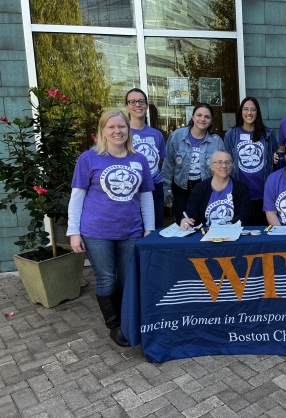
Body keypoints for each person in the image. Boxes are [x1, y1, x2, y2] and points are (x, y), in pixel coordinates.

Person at [67, 110, 155, 346]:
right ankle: (115, 325)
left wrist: (150, 228)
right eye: (111, 127)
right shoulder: (89, 158)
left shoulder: (139, 159)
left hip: (131, 231)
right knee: (106, 279)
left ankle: (128, 320)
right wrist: (73, 232)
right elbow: (77, 197)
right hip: (96, 232)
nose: (117, 131)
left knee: (128, 280)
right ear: (102, 131)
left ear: (128, 130)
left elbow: (146, 196)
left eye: (122, 127)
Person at [162, 103, 224, 224]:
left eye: (207, 117)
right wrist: (166, 189)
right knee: (184, 224)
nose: (202, 119)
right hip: (181, 189)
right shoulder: (176, 136)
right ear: (193, 117)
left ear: (211, 120)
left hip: (205, 189)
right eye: (199, 115)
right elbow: (168, 165)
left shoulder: (216, 141)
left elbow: (222, 168)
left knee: (204, 223)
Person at [224, 97, 277, 225]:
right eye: (246, 109)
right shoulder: (231, 135)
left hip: (264, 191)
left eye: (253, 109)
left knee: (264, 230)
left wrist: (277, 157)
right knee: (242, 230)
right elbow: (226, 162)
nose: (249, 113)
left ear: (257, 112)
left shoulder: (268, 134)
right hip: (239, 192)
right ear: (241, 112)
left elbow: (276, 161)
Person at [125, 88, 167, 229]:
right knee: (134, 229)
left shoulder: (156, 134)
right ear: (126, 106)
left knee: (155, 228)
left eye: (141, 101)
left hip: (155, 187)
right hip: (131, 188)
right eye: (133, 102)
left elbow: (162, 161)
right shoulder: (123, 133)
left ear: (146, 105)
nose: (138, 105)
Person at [179, 150, 252, 229]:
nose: (224, 166)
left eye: (227, 162)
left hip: (232, 233)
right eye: (219, 162)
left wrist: (227, 227)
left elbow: (245, 215)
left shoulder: (241, 188)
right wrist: (185, 220)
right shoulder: (200, 188)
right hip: (205, 235)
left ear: (231, 166)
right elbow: (190, 213)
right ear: (211, 166)